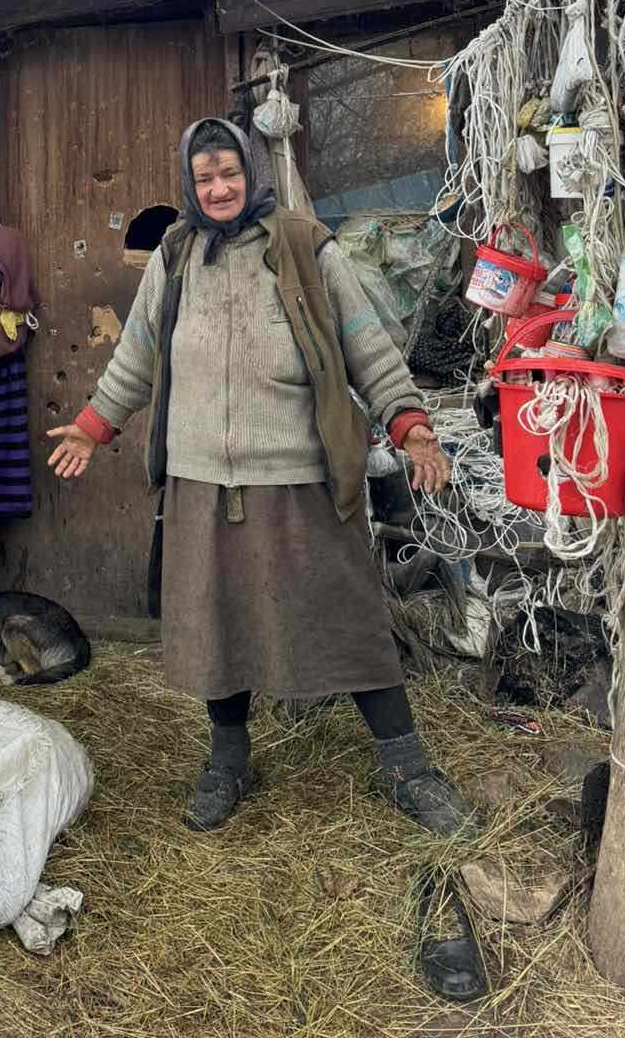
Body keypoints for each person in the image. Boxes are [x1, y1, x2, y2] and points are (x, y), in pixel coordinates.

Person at [47, 116, 472, 837]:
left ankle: (408, 767)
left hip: (297, 474)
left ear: (252, 174)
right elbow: (140, 354)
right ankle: (228, 761)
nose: (218, 187)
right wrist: (94, 425)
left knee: (349, 618)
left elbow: (364, 343)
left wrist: (410, 423)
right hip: (201, 480)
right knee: (217, 623)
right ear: (190, 181)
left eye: (229, 173)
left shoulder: (306, 246)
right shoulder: (175, 255)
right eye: (205, 176)